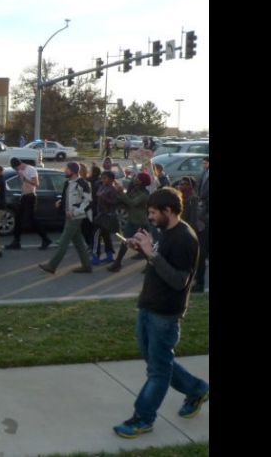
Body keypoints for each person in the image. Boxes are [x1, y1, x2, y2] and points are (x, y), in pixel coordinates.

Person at [112, 187, 209, 439]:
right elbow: (158, 262)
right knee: (158, 362)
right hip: (148, 304)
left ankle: (143, 418)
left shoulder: (185, 238)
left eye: (154, 212)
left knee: (157, 370)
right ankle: (197, 389)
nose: (150, 217)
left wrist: (152, 254)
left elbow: (179, 280)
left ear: (168, 211)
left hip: (165, 313)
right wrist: (142, 248)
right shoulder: (165, 231)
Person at [38, 162, 93, 274]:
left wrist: (75, 212)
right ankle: (87, 266)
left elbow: (88, 202)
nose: (64, 171)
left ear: (72, 171)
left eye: (66, 169)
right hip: (70, 216)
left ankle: (52, 266)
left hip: (76, 217)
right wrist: (61, 203)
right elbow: (69, 198)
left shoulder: (83, 183)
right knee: (78, 243)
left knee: (63, 242)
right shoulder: (69, 183)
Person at [108, 172, 152, 272]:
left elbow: (132, 203)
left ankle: (151, 262)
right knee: (126, 241)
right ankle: (117, 263)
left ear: (143, 182)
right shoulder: (135, 190)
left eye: (138, 178)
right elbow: (125, 199)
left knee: (137, 244)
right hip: (132, 220)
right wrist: (117, 192)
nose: (135, 179)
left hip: (140, 222)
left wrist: (121, 192)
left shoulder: (144, 194)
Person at [7, 158, 52, 250]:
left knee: (31, 219)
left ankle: (45, 239)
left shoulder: (30, 169)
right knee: (18, 218)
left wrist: (24, 178)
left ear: (19, 165)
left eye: (17, 169)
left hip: (30, 196)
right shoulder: (20, 170)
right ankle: (16, 242)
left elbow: (36, 183)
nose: (17, 171)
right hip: (24, 196)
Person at [90, 171, 118, 265]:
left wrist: (103, 197)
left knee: (96, 235)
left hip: (105, 216)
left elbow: (114, 203)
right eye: (102, 178)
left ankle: (95, 257)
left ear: (111, 180)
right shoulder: (102, 186)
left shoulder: (112, 189)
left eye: (105, 178)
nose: (103, 180)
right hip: (100, 214)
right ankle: (109, 256)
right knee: (106, 236)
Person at [193, 157, 209, 292]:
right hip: (203, 217)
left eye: (205, 162)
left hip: (205, 217)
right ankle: (199, 282)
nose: (204, 165)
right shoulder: (204, 173)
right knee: (202, 253)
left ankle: (199, 283)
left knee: (202, 252)